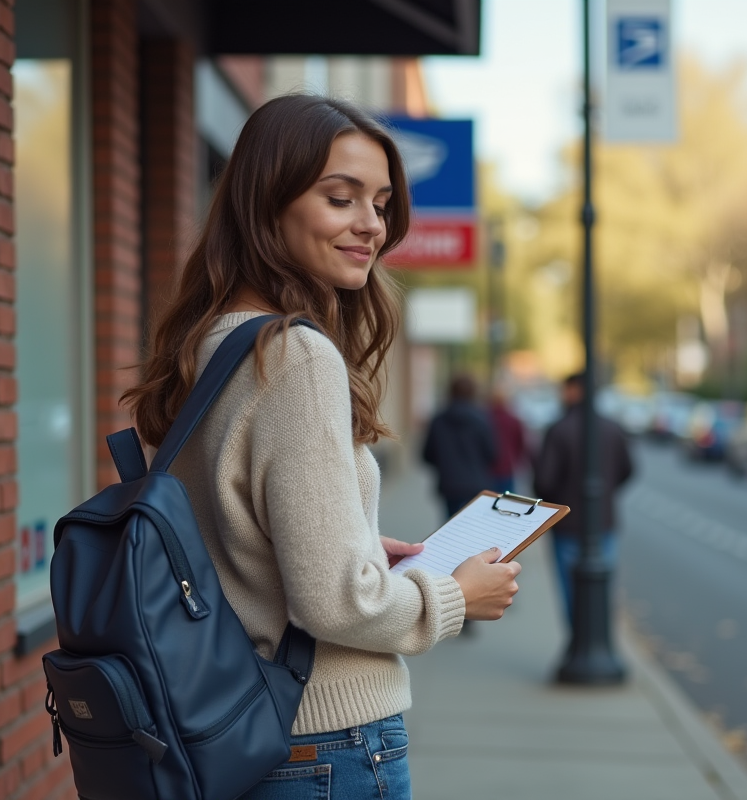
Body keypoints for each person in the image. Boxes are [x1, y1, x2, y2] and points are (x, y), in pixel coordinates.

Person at [121, 94, 521, 800]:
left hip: (234, 727)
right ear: (267, 202)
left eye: (381, 202)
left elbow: (229, 537)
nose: (370, 224)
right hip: (323, 742)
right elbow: (337, 606)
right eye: (341, 198)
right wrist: (454, 597)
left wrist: (359, 540)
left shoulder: (209, 342)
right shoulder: (296, 357)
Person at [533, 372, 634, 623]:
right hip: (603, 521)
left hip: (567, 523)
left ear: (574, 391)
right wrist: (605, 491)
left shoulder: (559, 429)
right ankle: (599, 640)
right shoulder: (612, 428)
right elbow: (628, 470)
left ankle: (576, 644)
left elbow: (544, 481)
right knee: (600, 591)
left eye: (565, 389)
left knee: (571, 591)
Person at [422, 374, 496, 518]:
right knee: (475, 527)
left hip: (450, 484)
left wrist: (445, 463)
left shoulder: (438, 420)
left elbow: (427, 454)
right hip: (476, 484)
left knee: (450, 527)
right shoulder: (482, 419)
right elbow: (492, 453)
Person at [488, 389, 528, 494]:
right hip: (506, 468)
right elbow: (521, 444)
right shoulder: (513, 420)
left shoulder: (485, 418)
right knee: (506, 503)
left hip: (488, 469)